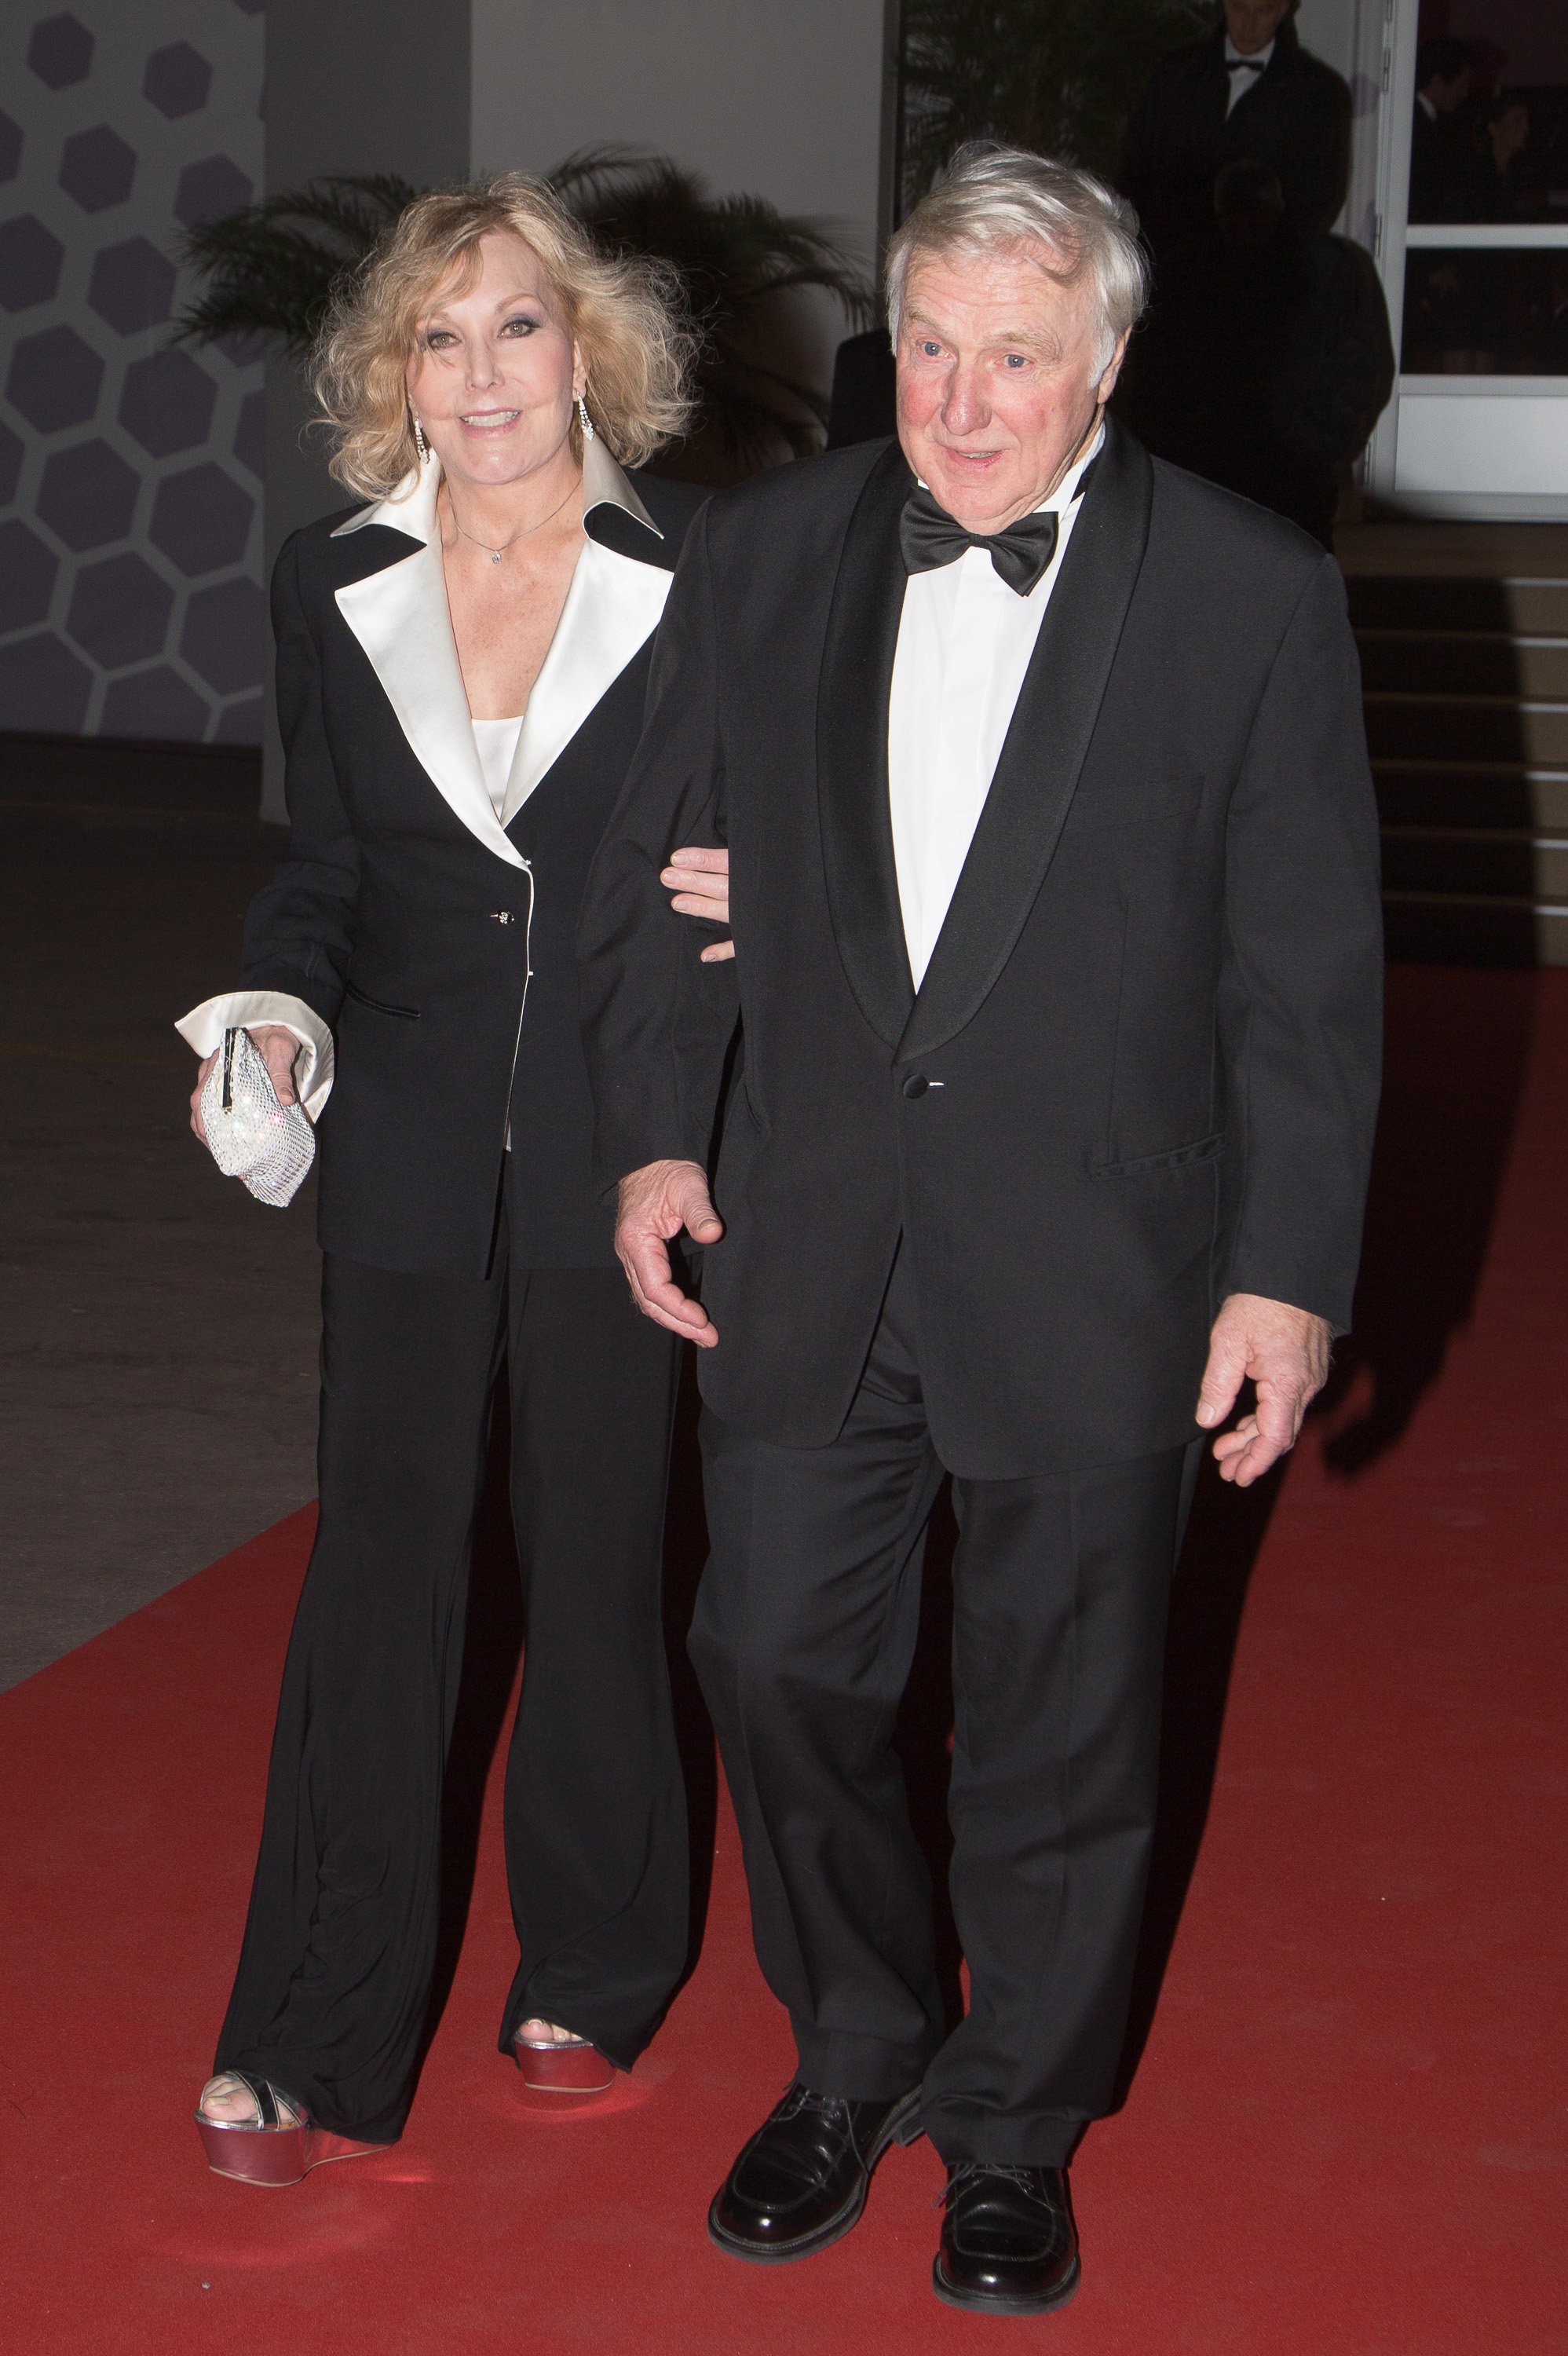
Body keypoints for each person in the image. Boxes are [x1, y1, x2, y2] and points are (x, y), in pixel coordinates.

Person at [579, 144, 1382, 2315]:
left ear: (1101, 359)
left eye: (1010, 359)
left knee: (1063, 1727)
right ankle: (855, 2044)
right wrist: (658, 1141)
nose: (954, 404)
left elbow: (1300, 978)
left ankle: (1012, 2124)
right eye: (923, 348)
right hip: (813, 1229)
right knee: (769, 1658)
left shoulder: (1243, 593)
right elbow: (671, 876)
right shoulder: (763, 551)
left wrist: (1286, 1275)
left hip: (1100, 1256)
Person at [176, 174, 733, 2186]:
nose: (478, 375)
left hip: (628, 1143)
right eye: (437, 335)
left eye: (514, 325)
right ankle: (308, 2023)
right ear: (389, 370)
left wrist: (770, 896)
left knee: (598, 1550)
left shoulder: (709, 572)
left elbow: (809, 830)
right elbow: (326, 869)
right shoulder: (329, 577)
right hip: (404, 1144)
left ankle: (596, 1949)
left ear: (584, 341)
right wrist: (273, 1014)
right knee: (380, 1574)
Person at [1118, 158, 1394, 547]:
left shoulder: (1187, 271)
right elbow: (1364, 366)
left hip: (1225, 472)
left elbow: (1153, 380)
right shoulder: (1324, 266)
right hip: (1276, 470)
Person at [1119, 0, 1351, 258]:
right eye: (1240, 8)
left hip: (1267, 273)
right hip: (1176, 266)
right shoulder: (1175, 75)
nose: (1249, 25)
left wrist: (1279, 260)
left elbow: (1320, 195)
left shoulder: (1318, 92)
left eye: (1263, 11)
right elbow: (1137, 167)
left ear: (1284, 9)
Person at [1409, 36, 1474, 224]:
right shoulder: (1420, 127)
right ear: (1439, 80)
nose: (1464, 92)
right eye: (1462, 83)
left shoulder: (1421, 120)